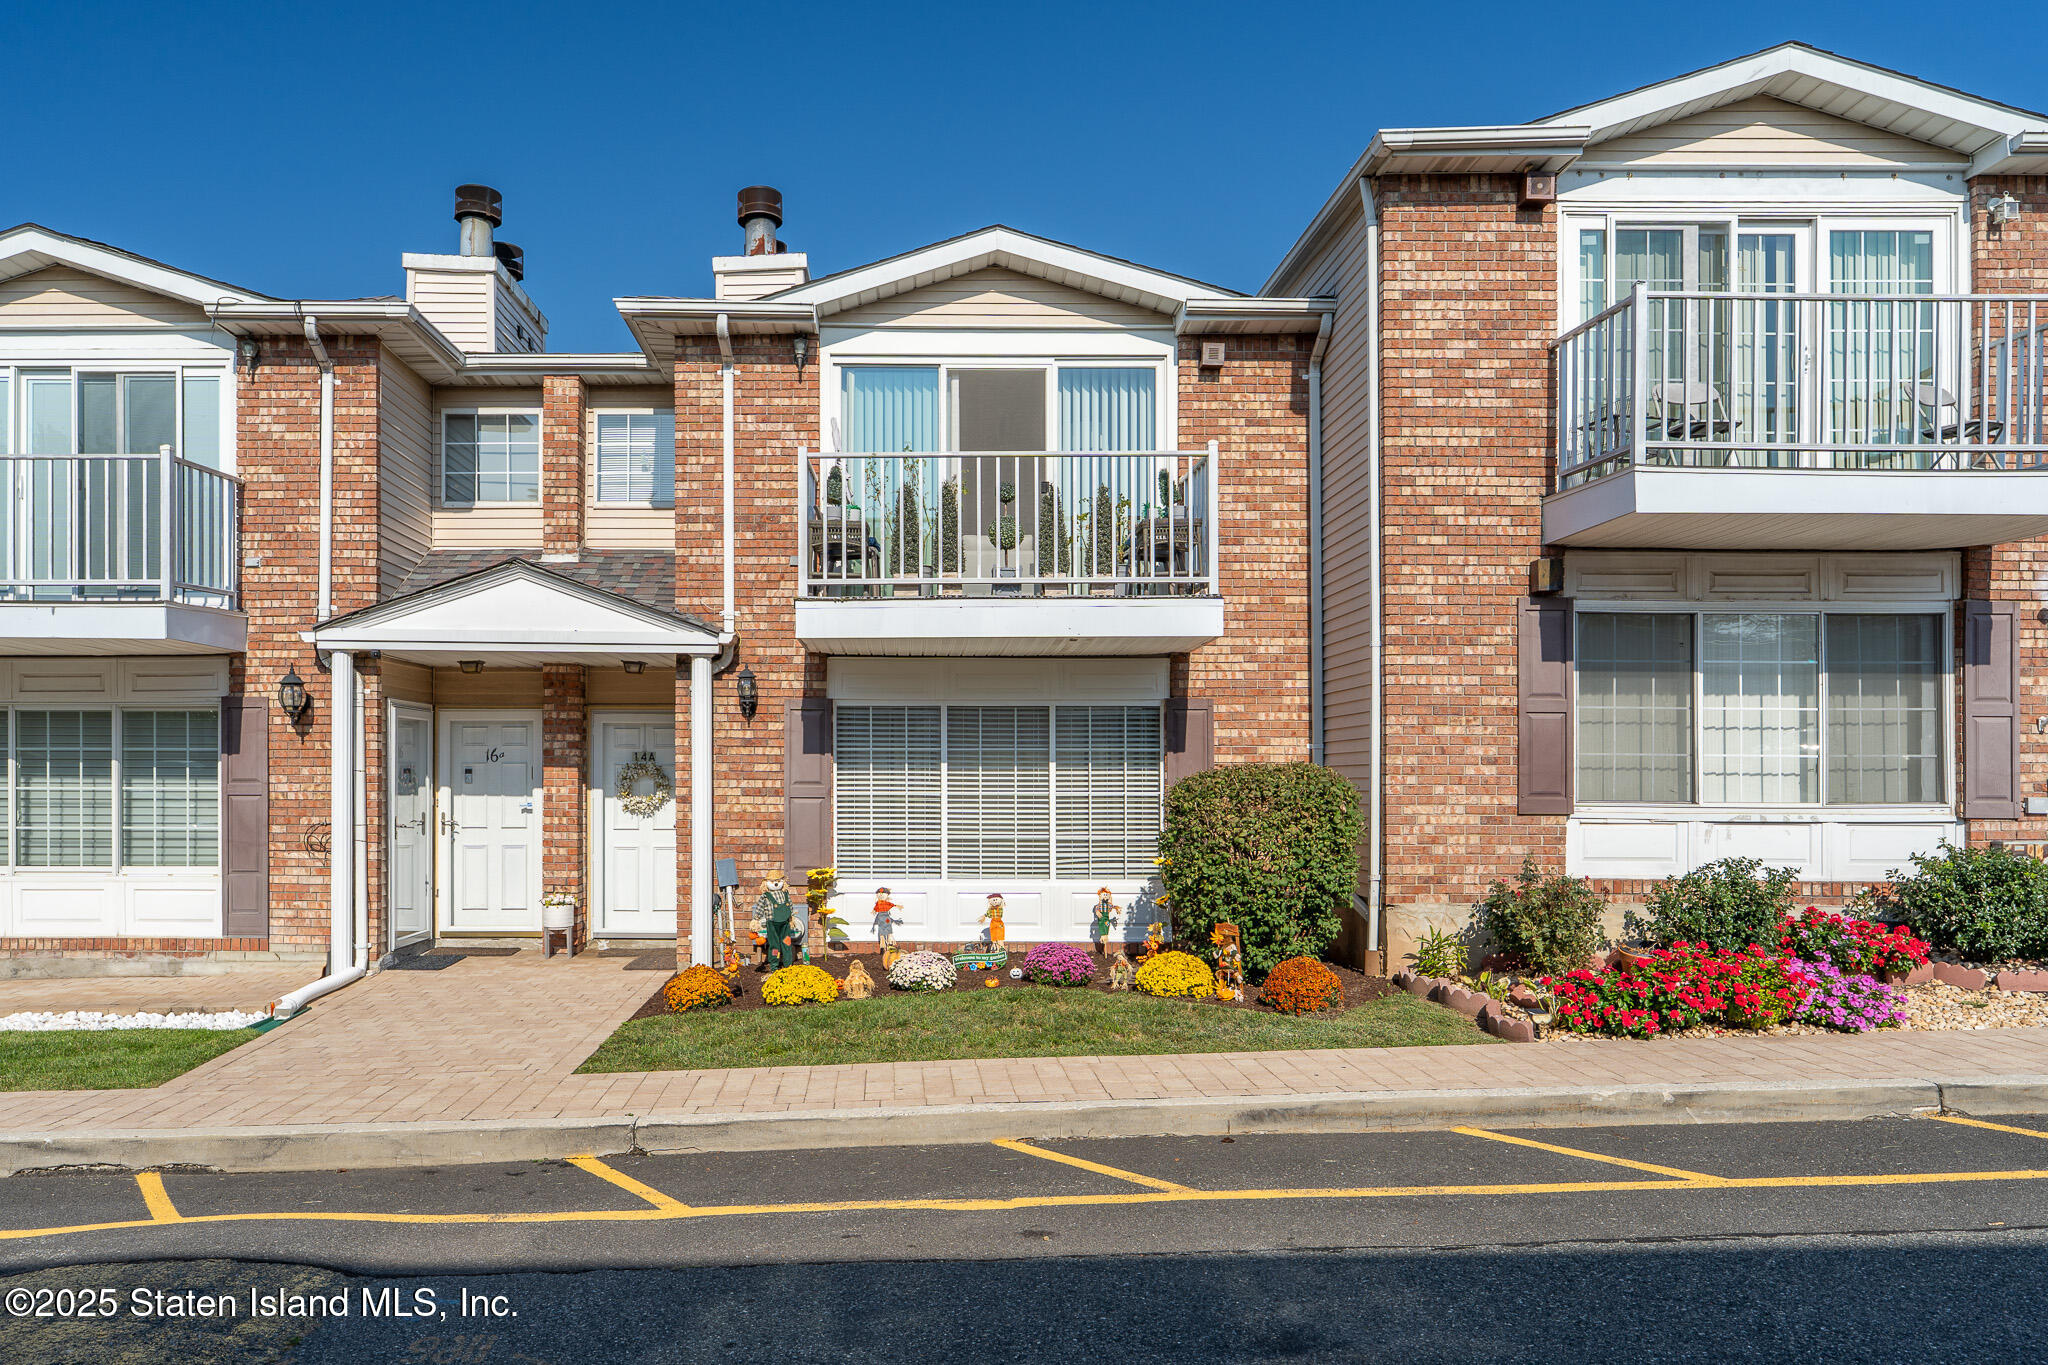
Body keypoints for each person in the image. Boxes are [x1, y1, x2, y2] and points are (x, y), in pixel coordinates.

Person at [753, 874, 800, 970]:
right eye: (772, 881)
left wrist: (791, 918)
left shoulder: (785, 894)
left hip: (785, 923)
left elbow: (790, 906)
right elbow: (759, 908)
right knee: (774, 945)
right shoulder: (765, 896)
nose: (775, 884)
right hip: (772, 924)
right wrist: (756, 919)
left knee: (787, 943)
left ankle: (788, 964)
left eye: (778, 881)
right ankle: (774, 965)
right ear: (766, 883)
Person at [1089, 888, 1117, 956]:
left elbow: (1112, 905)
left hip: (1106, 919)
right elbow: (1097, 909)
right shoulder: (1099, 905)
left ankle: (1105, 938)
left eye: (1106, 895)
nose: (1105, 896)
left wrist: (1116, 908)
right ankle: (1103, 937)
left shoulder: (1108, 905)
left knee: (1106, 927)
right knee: (1102, 927)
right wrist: (1097, 911)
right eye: (1103, 895)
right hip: (1101, 919)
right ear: (1100, 896)